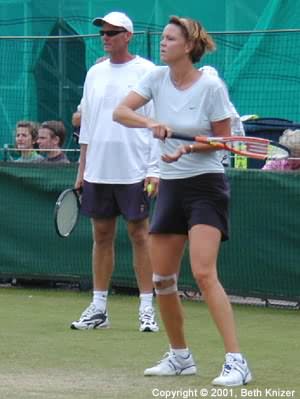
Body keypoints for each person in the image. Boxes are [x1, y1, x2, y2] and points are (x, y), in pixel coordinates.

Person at [113, 16, 252, 386]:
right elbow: (121, 111)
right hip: (171, 186)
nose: (162, 43)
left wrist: (188, 145)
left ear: (188, 46)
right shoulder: (156, 78)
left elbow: (225, 140)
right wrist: (151, 124)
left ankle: (237, 362)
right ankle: (180, 357)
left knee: (204, 273)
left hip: (206, 184)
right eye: (162, 38)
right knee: (162, 280)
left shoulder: (210, 86)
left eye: (170, 38)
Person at [70, 11, 160, 333]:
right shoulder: (94, 73)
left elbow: (155, 122)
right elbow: (88, 124)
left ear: (128, 36)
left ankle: (147, 309)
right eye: (103, 33)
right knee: (101, 235)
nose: (105, 37)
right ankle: (99, 308)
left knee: (140, 235)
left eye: (112, 32)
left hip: (136, 169)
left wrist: (154, 169)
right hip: (98, 169)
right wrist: (82, 168)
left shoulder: (148, 71)